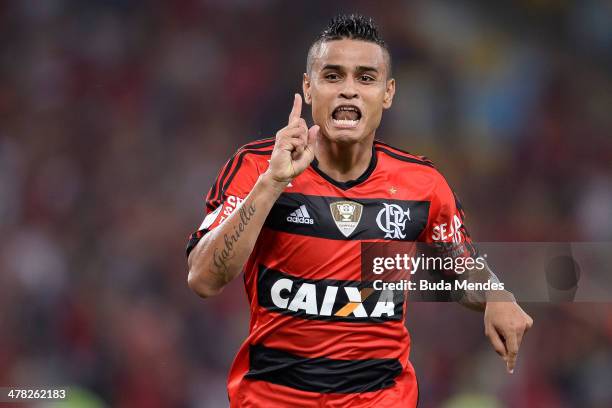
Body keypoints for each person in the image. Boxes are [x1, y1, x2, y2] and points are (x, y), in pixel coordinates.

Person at [186, 14, 533, 408]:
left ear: (387, 93)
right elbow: (204, 278)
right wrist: (271, 184)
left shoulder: (422, 184)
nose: (349, 90)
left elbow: (458, 266)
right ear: (308, 88)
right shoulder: (255, 167)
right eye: (333, 76)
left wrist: (495, 293)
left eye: (365, 78)